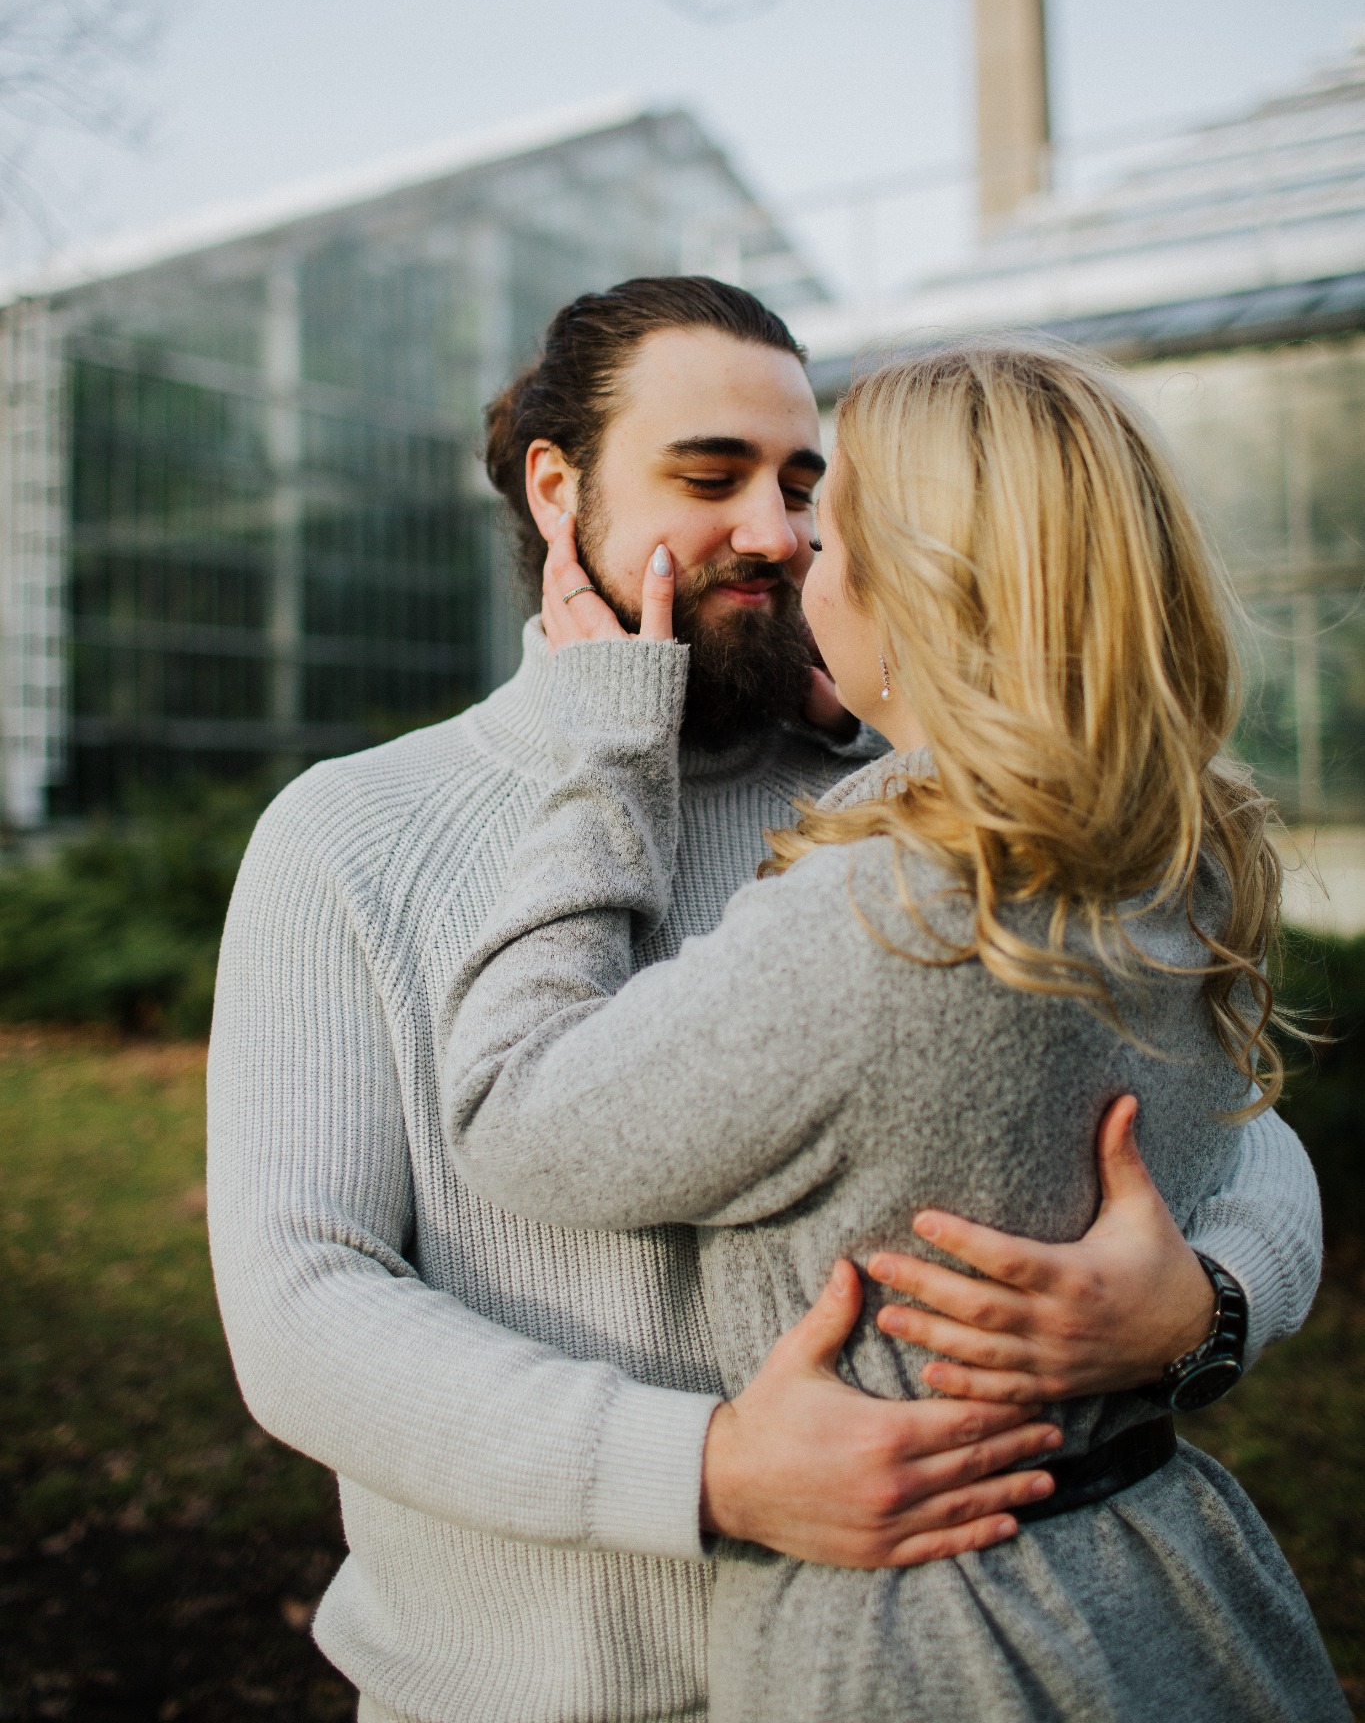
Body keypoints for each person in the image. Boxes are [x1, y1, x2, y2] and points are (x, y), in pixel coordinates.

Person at [207, 282, 1322, 1723]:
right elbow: (305, 1305)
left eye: (806, 483)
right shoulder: (353, 830)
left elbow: (1229, 1126)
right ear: (558, 490)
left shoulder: (922, 808)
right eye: (707, 474)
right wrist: (704, 1468)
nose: (776, 532)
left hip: (930, 1660)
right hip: (532, 1694)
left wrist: (1207, 1307)